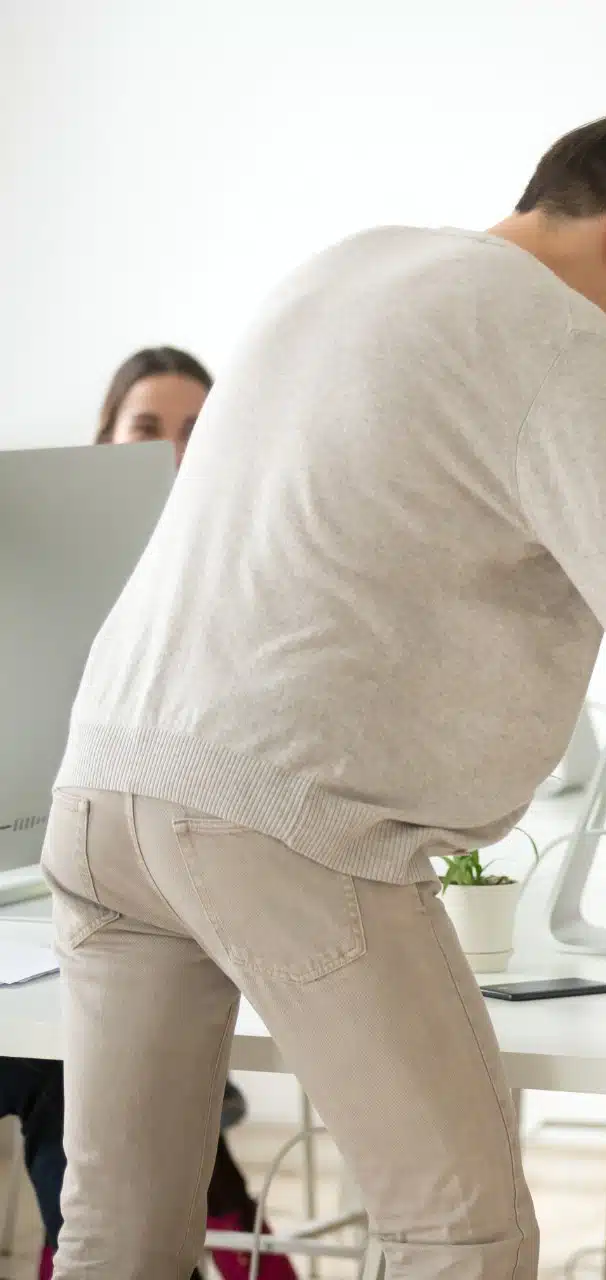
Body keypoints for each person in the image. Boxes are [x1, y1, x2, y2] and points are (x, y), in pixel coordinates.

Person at [43, 107, 606, 1279]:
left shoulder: (351, 264)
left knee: (116, 1238)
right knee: (461, 1231)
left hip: (106, 786)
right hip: (281, 818)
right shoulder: (556, 341)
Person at [0, 349, 293, 1280]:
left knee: (117, 1070)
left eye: (198, 434)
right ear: (101, 444)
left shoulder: (248, 583)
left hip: (142, 914)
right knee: (104, 1080)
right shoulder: (32, 579)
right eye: (145, 431)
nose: (171, 456)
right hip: (46, 922)